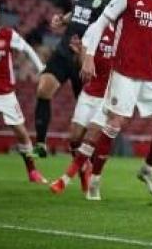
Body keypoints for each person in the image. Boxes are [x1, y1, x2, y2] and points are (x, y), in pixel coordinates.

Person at [49, 0, 152, 201]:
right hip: (125, 72)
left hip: (151, 74)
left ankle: (147, 170)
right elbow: (99, 25)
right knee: (115, 123)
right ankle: (95, 179)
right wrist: (88, 56)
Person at [34, 0, 113, 157]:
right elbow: (77, 12)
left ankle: (81, 160)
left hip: (85, 58)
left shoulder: (110, 1)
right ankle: (41, 143)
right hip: (63, 52)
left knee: (82, 124)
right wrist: (62, 20)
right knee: (43, 88)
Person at [0, 14, 47, 184]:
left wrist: (40, 67)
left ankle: (32, 171)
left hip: (5, 92)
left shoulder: (8, 34)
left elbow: (27, 48)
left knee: (22, 133)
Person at [49, 24, 115, 195]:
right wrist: (79, 54)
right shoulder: (96, 29)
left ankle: (64, 180)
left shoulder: (126, 32)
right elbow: (83, 65)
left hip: (107, 97)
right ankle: (85, 170)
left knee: (89, 138)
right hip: (89, 93)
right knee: (74, 138)